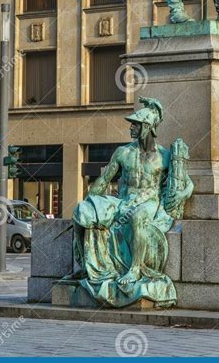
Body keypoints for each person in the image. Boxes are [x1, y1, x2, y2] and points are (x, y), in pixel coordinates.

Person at [67, 97, 193, 308]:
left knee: (137, 217)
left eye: (135, 124)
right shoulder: (123, 152)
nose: (131, 128)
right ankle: (85, 266)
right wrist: (90, 202)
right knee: (83, 211)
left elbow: (187, 183)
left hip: (149, 203)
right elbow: (103, 181)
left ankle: (135, 268)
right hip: (123, 201)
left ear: (148, 127)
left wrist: (183, 195)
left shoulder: (165, 156)